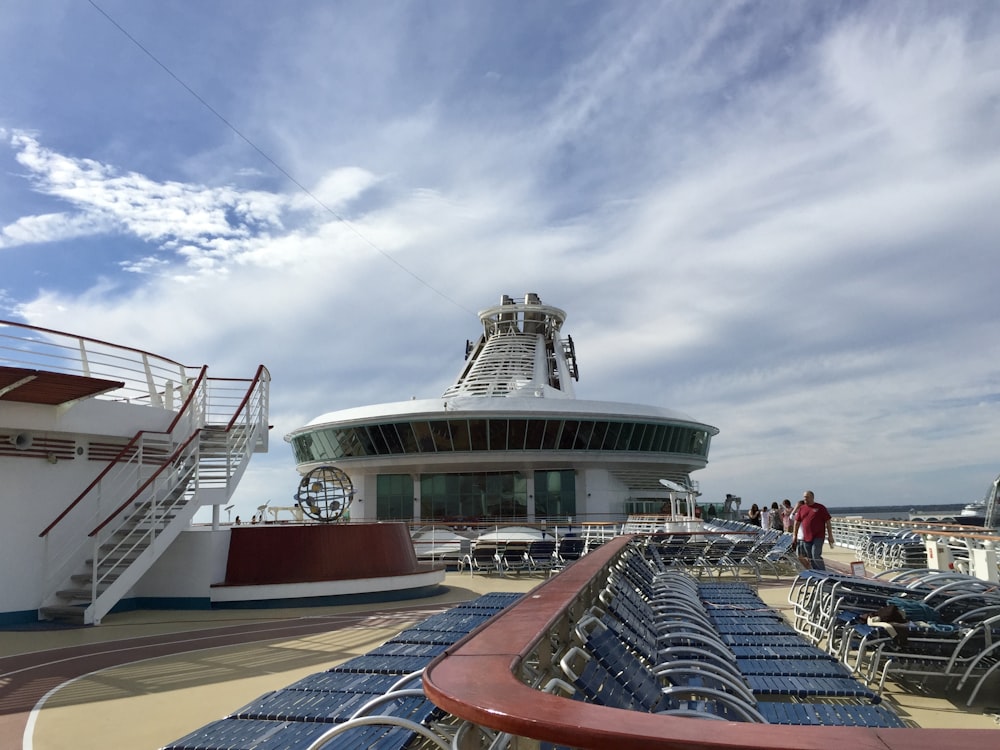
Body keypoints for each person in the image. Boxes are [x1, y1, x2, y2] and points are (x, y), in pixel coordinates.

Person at [792, 490, 834, 571]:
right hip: (806, 537)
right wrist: (794, 535)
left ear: (812, 497)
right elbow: (796, 523)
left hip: (818, 536)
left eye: (807, 497)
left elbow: (828, 522)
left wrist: (830, 536)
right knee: (810, 557)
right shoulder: (802, 508)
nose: (805, 499)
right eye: (804, 497)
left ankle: (823, 574)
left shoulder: (820, 507)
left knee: (816, 555)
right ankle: (816, 573)